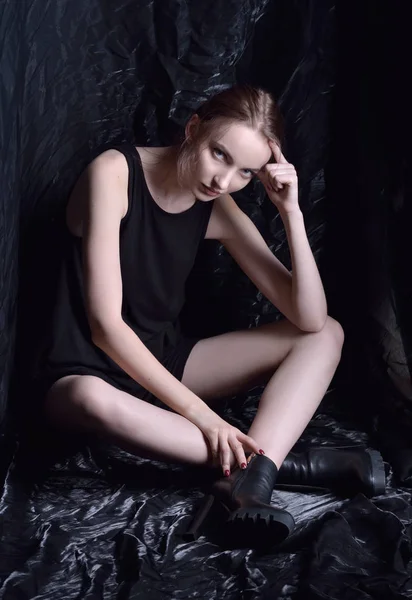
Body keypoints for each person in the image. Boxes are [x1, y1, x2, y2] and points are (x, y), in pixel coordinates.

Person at [40, 85, 385, 548]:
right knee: (89, 397)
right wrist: (204, 417)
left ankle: (242, 481)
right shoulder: (114, 173)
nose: (224, 181)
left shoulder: (216, 206)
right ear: (193, 129)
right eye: (219, 155)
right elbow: (106, 328)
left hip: (166, 365)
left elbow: (310, 317)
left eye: (245, 171)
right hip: (83, 371)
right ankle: (282, 466)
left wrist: (290, 212)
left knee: (327, 334)